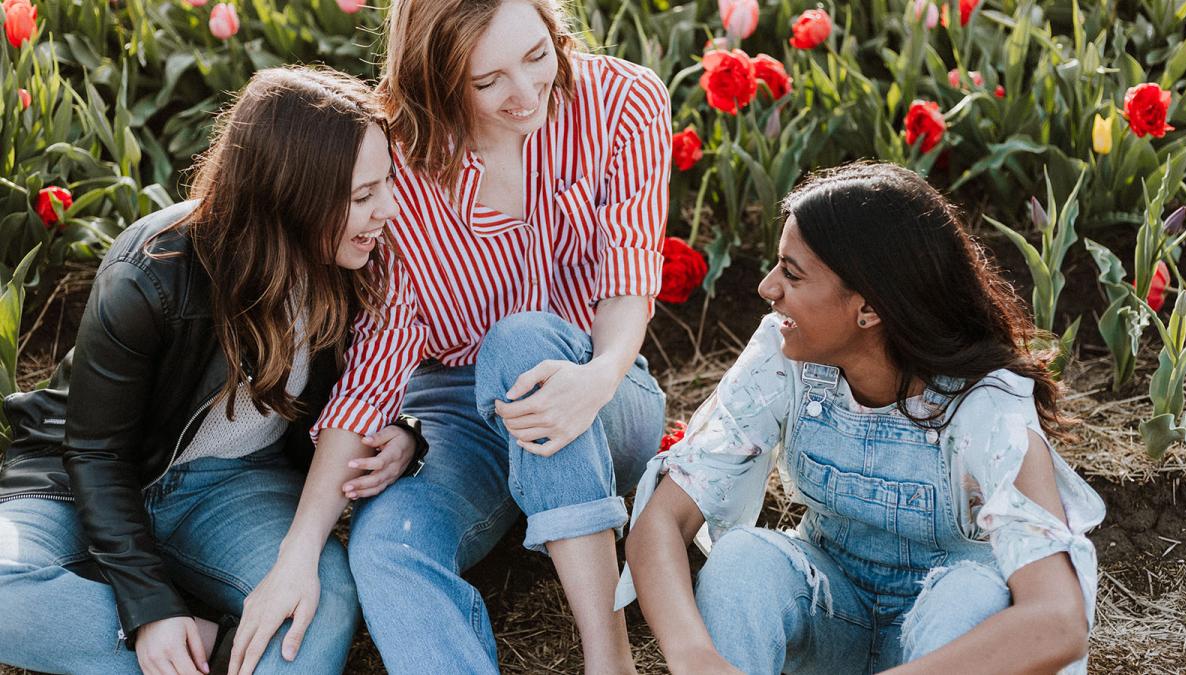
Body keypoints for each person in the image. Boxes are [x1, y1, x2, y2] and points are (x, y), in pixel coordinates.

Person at [237, 0, 671, 672]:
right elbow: (375, 373)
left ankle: (608, 654)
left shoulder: (623, 102)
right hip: (460, 409)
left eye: (536, 56)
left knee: (523, 344)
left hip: (601, 384)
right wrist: (300, 549)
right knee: (387, 545)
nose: (527, 94)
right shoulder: (399, 167)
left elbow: (630, 274)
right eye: (487, 79)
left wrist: (599, 374)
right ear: (437, 76)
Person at [0, 66, 426, 675]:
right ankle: (207, 646)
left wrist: (404, 431)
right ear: (289, 196)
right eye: (362, 196)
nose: (387, 208)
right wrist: (148, 609)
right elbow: (95, 452)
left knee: (320, 607)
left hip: (232, 486)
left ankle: (144, 626)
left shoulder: (362, 265)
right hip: (77, 477)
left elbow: (370, 382)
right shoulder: (152, 273)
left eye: (385, 183)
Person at [622, 162, 1106, 674]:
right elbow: (660, 523)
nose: (767, 288)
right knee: (743, 559)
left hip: (947, 650)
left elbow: (1058, 620)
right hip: (833, 618)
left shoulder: (986, 406)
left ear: (869, 309)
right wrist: (696, 657)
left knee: (971, 591)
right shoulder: (783, 357)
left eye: (792, 273)